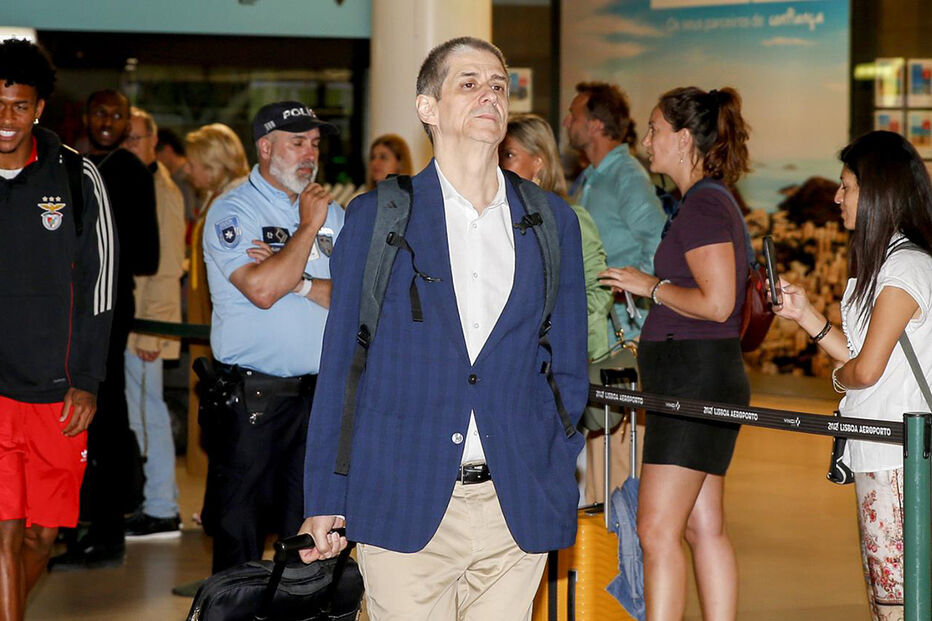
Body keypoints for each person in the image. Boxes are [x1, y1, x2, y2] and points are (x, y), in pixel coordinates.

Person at [299, 37, 588, 620]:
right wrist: (327, 494)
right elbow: (343, 365)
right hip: (402, 495)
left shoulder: (551, 221)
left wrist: (553, 455)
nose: (490, 95)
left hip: (515, 504)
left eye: (499, 86)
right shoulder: (378, 215)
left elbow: (567, 361)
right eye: (469, 83)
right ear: (427, 108)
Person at [598, 86, 752, 620]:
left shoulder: (706, 204)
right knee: (700, 525)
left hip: (694, 381)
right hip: (699, 376)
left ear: (685, 139)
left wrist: (651, 286)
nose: (646, 142)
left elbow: (717, 302)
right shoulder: (706, 201)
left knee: (656, 527)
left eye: (655, 130)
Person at [775, 130, 932, 621]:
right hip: (884, 456)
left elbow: (864, 369)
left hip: (899, 462)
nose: (838, 197)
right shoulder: (888, 265)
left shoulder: (904, 268)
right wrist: (807, 318)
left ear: (879, 193)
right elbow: (863, 359)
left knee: (899, 603)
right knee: (892, 599)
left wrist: (841, 381)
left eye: (847, 186)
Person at [200, 101, 344, 574]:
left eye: (316, 144)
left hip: (317, 401)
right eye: (297, 142)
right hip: (253, 402)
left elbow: (352, 296)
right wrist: (306, 230)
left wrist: (295, 279)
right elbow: (261, 289)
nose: (310, 154)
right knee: (239, 538)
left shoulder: (333, 215)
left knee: (308, 539)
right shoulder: (234, 210)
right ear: (265, 147)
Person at [0, 39, 115, 620]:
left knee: (39, 539)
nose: (5, 119)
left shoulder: (77, 174)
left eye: (18, 106)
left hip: (58, 390)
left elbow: (100, 285)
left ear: (39, 107)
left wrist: (88, 379)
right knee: (4, 533)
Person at [50, 89, 159, 570]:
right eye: (101, 113)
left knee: (107, 420)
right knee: (70, 416)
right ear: (87, 116)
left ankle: (107, 532)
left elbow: (147, 254)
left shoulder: (128, 170)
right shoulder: (68, 163)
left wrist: (93, 253)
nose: (108, 121)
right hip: (67, 309)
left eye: (118, 115)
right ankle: (73, 524)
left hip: (109, 310)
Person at [499, 113, 618, 504]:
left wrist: (556, 336)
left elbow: (598, 292)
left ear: (540, 162)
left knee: (564, 494)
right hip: (512, 377)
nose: (501, 164)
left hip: (556, 379)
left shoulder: (569, 218)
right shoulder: (495, 221)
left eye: (510, 154)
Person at [121, 107, 187, 539]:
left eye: (136, 138)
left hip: (146, 323)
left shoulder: (159, 189)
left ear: (152, 141)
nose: (128, 145)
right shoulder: (142, 182)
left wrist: (151, 329)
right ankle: (153, 502)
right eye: (124, 138)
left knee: (149, 413)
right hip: (135, 322)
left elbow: (164, 269)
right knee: (141, 412)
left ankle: (162, 506)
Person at [563, 81, 665, 341]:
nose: (566, 123)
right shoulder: (591, 176)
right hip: (598, 330)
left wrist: (627, 292)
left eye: (573, 115)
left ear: (595, 125)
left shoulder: (627, 176)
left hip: (624, 334)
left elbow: (658, 242)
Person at [155, 128, 199, 237]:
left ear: (167, 149)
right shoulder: (174, 177)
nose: (155, 159)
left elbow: (189, 216)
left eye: (156, 154)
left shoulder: (184, 177)